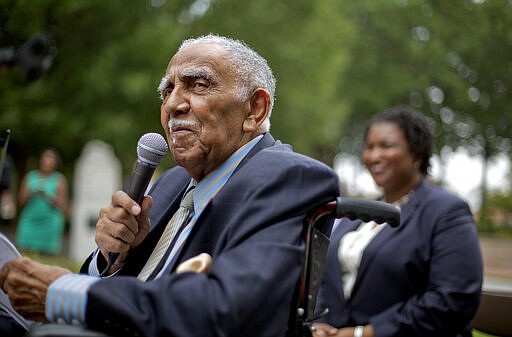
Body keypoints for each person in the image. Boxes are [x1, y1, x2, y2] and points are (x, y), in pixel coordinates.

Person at [0, 34, 340, 337]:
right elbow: (129, 284)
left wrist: (65, 293)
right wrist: (112, 257)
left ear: (255, 109)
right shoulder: (175, 180)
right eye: (168, 89)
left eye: (198, 85)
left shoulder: (290, 177)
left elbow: (228, 310)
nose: (172, 105)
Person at [312, 105, 483, 337]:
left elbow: (452, 299)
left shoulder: (447, 212)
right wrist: (320, 324)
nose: (374, 156)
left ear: (417, 153)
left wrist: (363, 334)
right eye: (369, 147)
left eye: (386, 146)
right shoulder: (357, 214)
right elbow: (324, 276)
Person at [15, 148, 68, 254]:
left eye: (51, 158)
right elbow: (20, 201)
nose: (48, 161)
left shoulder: (59, 179)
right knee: (23, 252)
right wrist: (33, 192)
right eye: (46, 157)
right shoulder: (30, 176)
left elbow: (63, 205)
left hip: (50, 222)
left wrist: (47, 194)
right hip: (30, 219)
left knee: (46, 256)